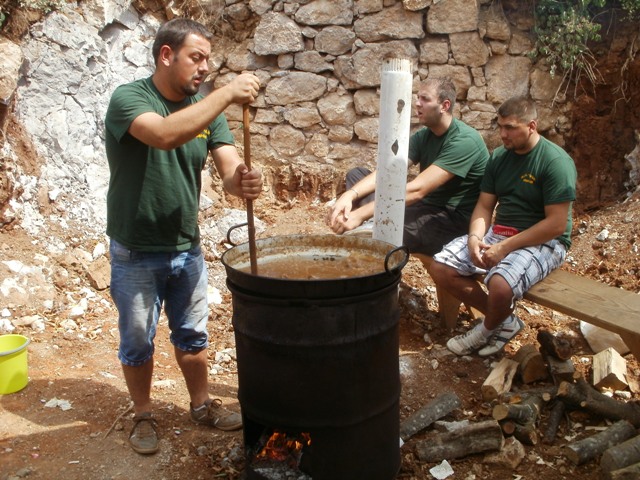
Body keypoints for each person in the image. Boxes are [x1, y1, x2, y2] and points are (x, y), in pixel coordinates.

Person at [104, 18, 262, 455]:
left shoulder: (207, 108)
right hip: (135, 248)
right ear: (166, 55)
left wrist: (244, 180)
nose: (204, 68)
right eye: (196, 57)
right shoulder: (130, 98)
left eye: (208, 60)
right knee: (138, 340)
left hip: (185, 246)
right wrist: (227, 93)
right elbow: (165, 134)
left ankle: (201, 404)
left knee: (193, 335)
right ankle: (143, 414)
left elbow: (229, 170)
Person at [430, 96, 577, 357]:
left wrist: (504, 248)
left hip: (545, 240)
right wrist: (475, 238)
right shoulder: (498, 157)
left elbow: (555, 224)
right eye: (500, 126)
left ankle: (485, 331)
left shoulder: (555, 162)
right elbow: (485, 206)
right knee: (441, 266)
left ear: (531, 126)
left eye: (510, 127)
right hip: (502, 232)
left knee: (500, 283)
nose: (502, 134)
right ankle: (504, 321)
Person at [326, 78, 489, 266]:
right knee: (357, 176)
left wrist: (360, 214)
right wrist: (349, 195)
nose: (417, 103)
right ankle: (367, 224)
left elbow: (417, 190)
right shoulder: (425, 135)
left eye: (425, 99)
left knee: (387, 229)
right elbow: (388, 171)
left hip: (450, 219)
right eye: (417, 97)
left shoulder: (464, 140)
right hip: (423, 207)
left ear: (445, 105)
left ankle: (368, 231)